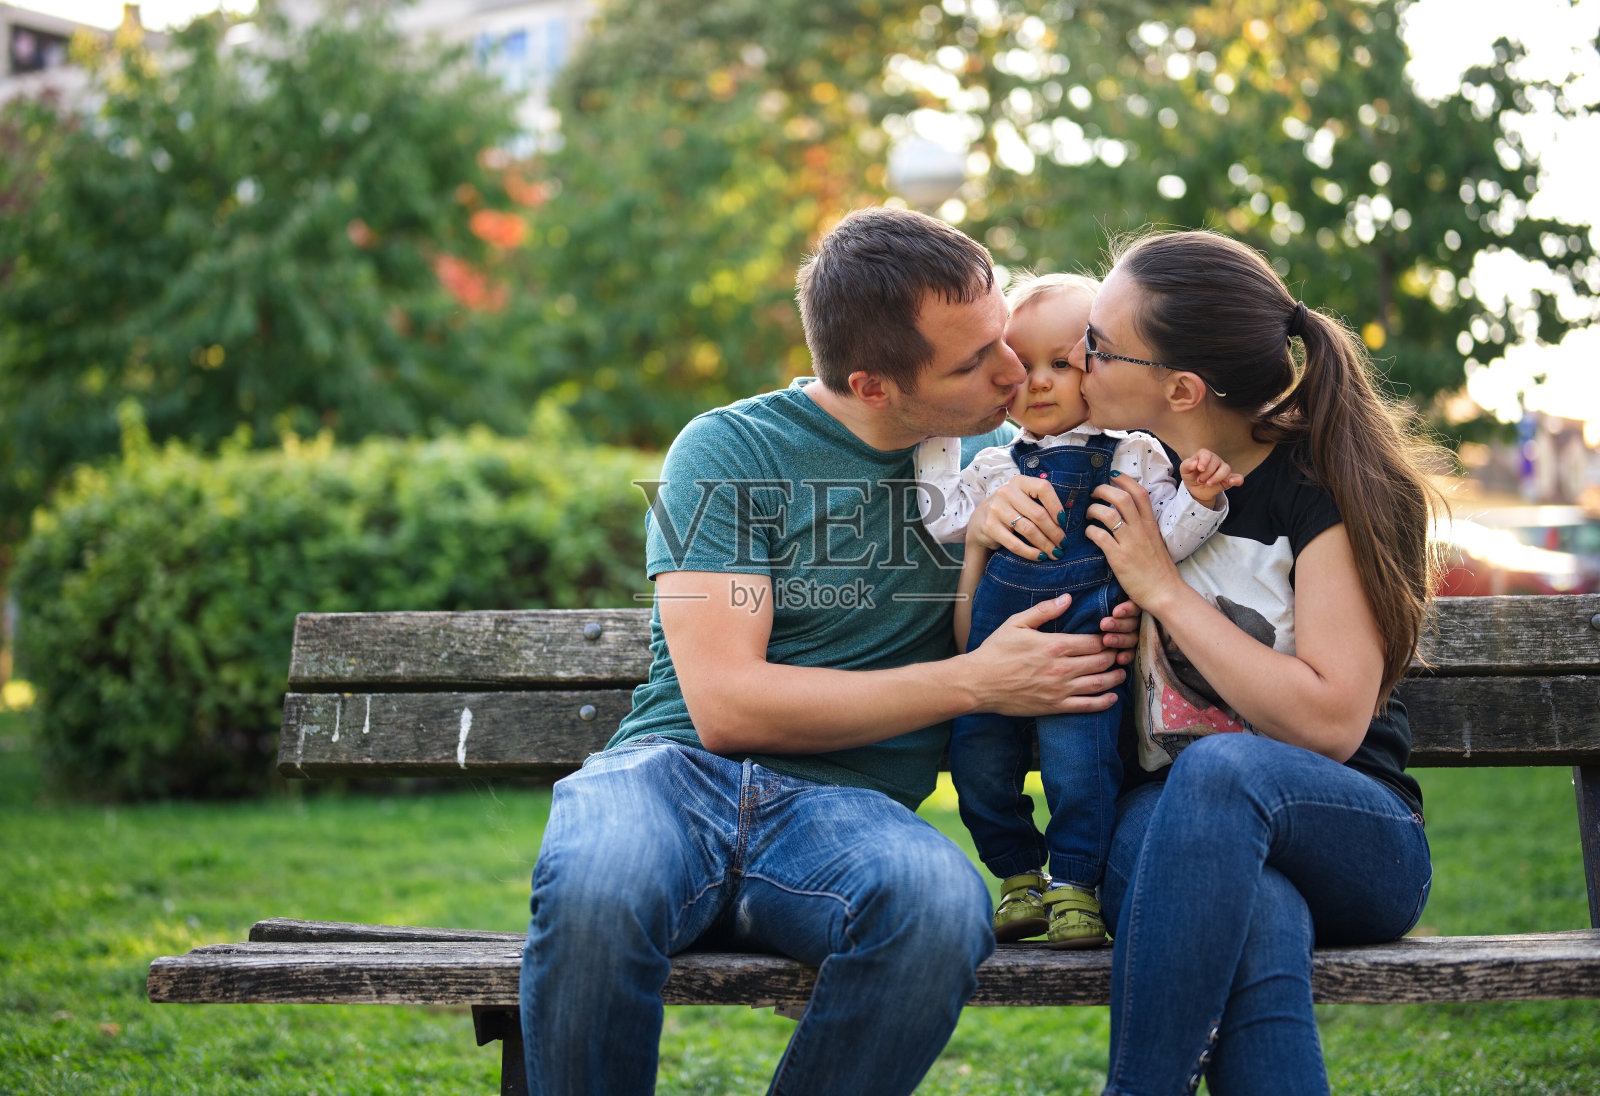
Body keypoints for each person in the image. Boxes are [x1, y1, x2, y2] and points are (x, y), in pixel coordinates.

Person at [517, 206, 1141, 1096]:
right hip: (673, 777)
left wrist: (1105, 616)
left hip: (847, 810)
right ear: (875, 385)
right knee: (597, 888)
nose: (1013, 372)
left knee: (937, 907)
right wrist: (973, 682)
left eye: (1004, 337)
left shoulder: (1017, 463)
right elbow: (727, 706)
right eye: (973, 362)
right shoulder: (730, 449)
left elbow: (1116, 575)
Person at [972, 229, 1437, 1095]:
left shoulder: (1321, 487)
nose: (1075, 358)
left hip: (1351, 833)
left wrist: (1165, 596)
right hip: (1165, 827)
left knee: (1222, 773)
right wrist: (995, 540)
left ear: (1180, 389)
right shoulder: (1100, 478)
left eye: (1097, 347)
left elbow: (1333, 724)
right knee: (1256, 911)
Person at [914, 272, 1238, 948]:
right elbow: (941, 514)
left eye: (1059, 363)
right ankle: (1017, 878)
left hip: (1084, 653)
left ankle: (1075, 886)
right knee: (978, 767)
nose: (1036, 381)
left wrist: (1200, 503)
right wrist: (938, 429)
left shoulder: (1132, 455)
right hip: (993, 655)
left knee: (1080, 770)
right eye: (1021, 364)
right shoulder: (998, 467)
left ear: (1098, 366)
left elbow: (1161, 545)